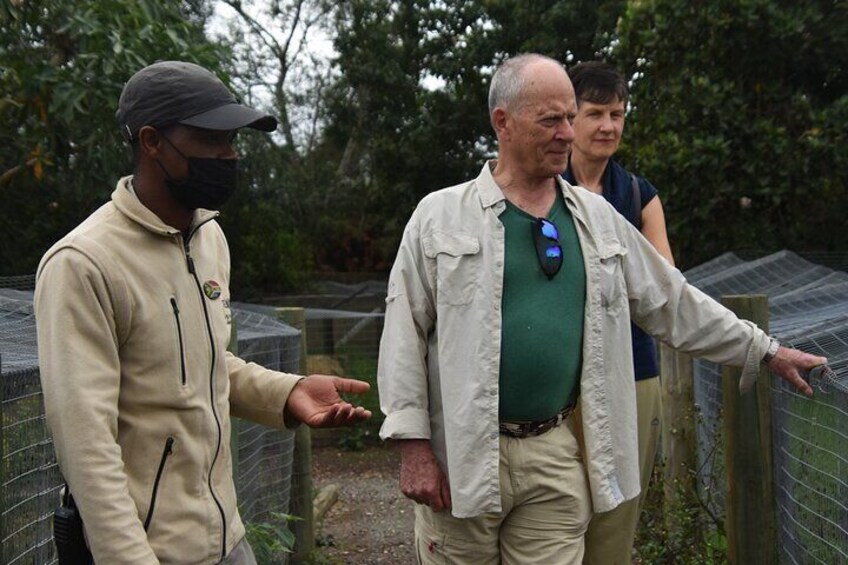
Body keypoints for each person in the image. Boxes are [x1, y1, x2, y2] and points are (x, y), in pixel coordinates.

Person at [376, 53, 824, 564]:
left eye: (570, 117)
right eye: (551, 119)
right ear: (503, 122)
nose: (568, 133)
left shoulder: (598, 220)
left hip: (554, 454)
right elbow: (403, 332)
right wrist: (413, 448)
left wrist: (764, 350)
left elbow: (672, 301)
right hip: (460, 454)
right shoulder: (438, 216)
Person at [34, 61, 372, 564]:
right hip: (146, 550)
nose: (229, 155)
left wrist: (288, 391)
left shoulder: (209, 237)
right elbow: (85, 447)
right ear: (151, 142)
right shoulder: (82, 264)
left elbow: (204, 366)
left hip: (226, 538)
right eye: (212, 140)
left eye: (233, 140)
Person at [563, 60, 672, 564]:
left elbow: (662, 286)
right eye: (595, 113)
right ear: (570, 116)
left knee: (618, 509)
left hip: (633, 370)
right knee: (557, 504)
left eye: (618, 114)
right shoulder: (540, 188)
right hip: (557, 375)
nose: (608, 126)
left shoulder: (638, 195)